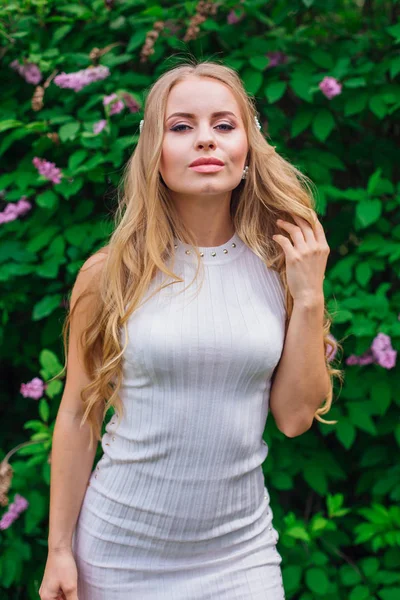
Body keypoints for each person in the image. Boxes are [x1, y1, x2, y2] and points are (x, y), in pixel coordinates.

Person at [39, 59, 337, 600]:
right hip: (118, 554)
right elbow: (79, 414)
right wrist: (59, 550)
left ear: (248, 149)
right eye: (181, 127)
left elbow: (295, 418)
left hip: (240, 555)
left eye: (224, 125)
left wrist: (309, 295)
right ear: (154, 152)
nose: (205, 140)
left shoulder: (283, 267)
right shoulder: (109, 274)